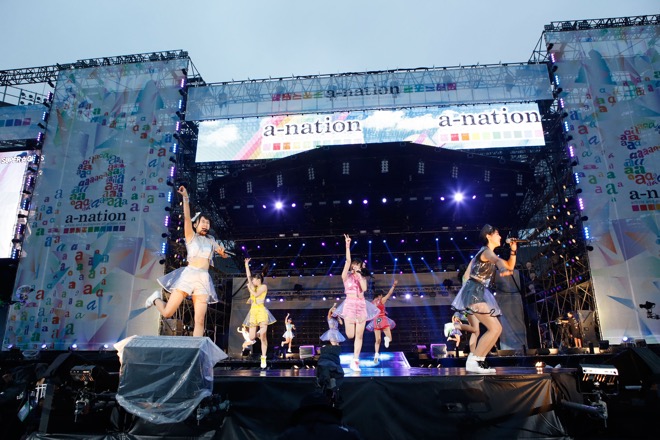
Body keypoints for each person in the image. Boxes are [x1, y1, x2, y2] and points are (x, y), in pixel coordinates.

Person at [145, 186, 228, 337]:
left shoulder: (211, 240)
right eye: (203, 221)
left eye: (208, 223)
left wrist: (222, 253)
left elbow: (221, 251)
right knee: (168, 312)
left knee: (200, 320)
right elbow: (187, 217)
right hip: (189, 275)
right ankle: (156, 299)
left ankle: (196, 348)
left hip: (203, 278)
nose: (206, 224)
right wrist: (185, 198)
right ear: (196, 224)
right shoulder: (190, 236)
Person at [451, 224, 516, 374]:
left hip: (478, 291)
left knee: (496, 329)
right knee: (491, 328)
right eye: (497, 234)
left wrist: (513, 251)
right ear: (488, 236)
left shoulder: (488, 252)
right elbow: (498, 261)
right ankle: (474, 361)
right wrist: (502, 268)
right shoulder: (486, 252)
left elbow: (510, 266)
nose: (500, 236)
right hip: (473, 291)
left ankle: (477, 360)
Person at [335, 234, 379, 372]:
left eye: (357, 264)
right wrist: (347, 245)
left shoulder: (362, 277)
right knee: (350, 335)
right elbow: (347, 260)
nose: (354, 266)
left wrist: (360, 275)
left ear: (360, 266)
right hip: (349, 305)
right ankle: (354, 359)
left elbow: (364, 289)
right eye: (353, 264)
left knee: (359, 335)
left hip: (361, 305)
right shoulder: (345, 276)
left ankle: (355, 361)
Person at [244, 258, 276, 369]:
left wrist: (249, 288)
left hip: (261, 311)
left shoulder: (263, 287)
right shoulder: (253, 286)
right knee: (252, 337)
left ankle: (263, 357)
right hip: (253, 313)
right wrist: (246, 265)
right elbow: (248, 276)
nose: (252, 281)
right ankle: (257, 334)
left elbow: (256, 295)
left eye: (253, 280)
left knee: (263, 336)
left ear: (258, 279)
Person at [366, 280, 397, 363]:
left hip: (376, 320)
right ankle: (386, 338)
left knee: (377, 340)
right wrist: (393, 286)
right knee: (389, 338)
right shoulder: (381, 300)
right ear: (379, 295)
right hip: (382, 319)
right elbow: (389, 294)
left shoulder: (372, 303)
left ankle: (376, 355)